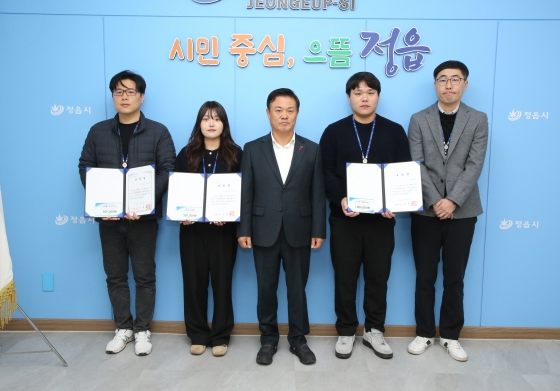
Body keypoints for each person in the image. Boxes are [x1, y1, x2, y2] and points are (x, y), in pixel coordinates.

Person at [78, 70, 176, 356]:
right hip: (109, 220)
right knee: (115, 276)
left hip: (142, 219)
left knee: (145, 276)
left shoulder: (158, 131)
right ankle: (123, 328)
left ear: (141, 97)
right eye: (118, 92)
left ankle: (143, 329)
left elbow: (167, 169)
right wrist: (101, 204)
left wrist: (143, 203)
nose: (124, 97)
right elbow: (85, 167)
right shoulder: (98, 131)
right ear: (113, 96)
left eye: (130, 91)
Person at [319, 72, 411, 360]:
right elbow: (326, 173)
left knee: (378, 278)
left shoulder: (394, 131)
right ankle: (346, 331)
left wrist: (395, 201)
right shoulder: (334, 131)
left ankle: (374, 331)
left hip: (381, 222)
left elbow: (403, 172)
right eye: (358, 93)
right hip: (344, 219)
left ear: (378, 96)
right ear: (349, 97)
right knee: (344, 278)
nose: (364, 98)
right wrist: (341, 199)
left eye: (370, 92)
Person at [407, 60, 488, 362]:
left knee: (455, 277)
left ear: (465, 84)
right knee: (424, 276)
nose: (449, 85)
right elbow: (416, 163)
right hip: (426, 212)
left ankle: (451, 336)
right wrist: (435, 200)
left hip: (462, 211)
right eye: (443, 79)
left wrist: (452, 200)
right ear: (435, 84)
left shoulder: (477, 119)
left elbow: (474, 165)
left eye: (455, 79)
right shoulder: (419, 119)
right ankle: (424, 333)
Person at [238, 88, 326, 366]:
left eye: (290, 110)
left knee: (297, 289)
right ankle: (268, 339)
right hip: (263, 229)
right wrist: (244, 229)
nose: (284, 115)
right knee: (266, 288)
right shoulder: (253, 149)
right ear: (268, 113)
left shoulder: (312, 149)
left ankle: (298, 339)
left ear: (297, 113)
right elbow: (246, 192)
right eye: (278, 110)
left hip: (300, 230)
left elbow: (318, 193)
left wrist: (318, 230)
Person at [173, 101, 242, 357]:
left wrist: (229, 215)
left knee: (222, 283)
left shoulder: (236, 154)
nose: (211, 123)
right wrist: (182, 215)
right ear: (199, 123)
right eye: (205, 118)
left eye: (216, 118)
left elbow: (244, 191)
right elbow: (176, 190)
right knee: (194, 284)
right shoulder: (186, 153)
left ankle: (221, 335)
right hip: (192, 231)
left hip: (223, 232)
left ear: (224, 123)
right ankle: (198, 334)